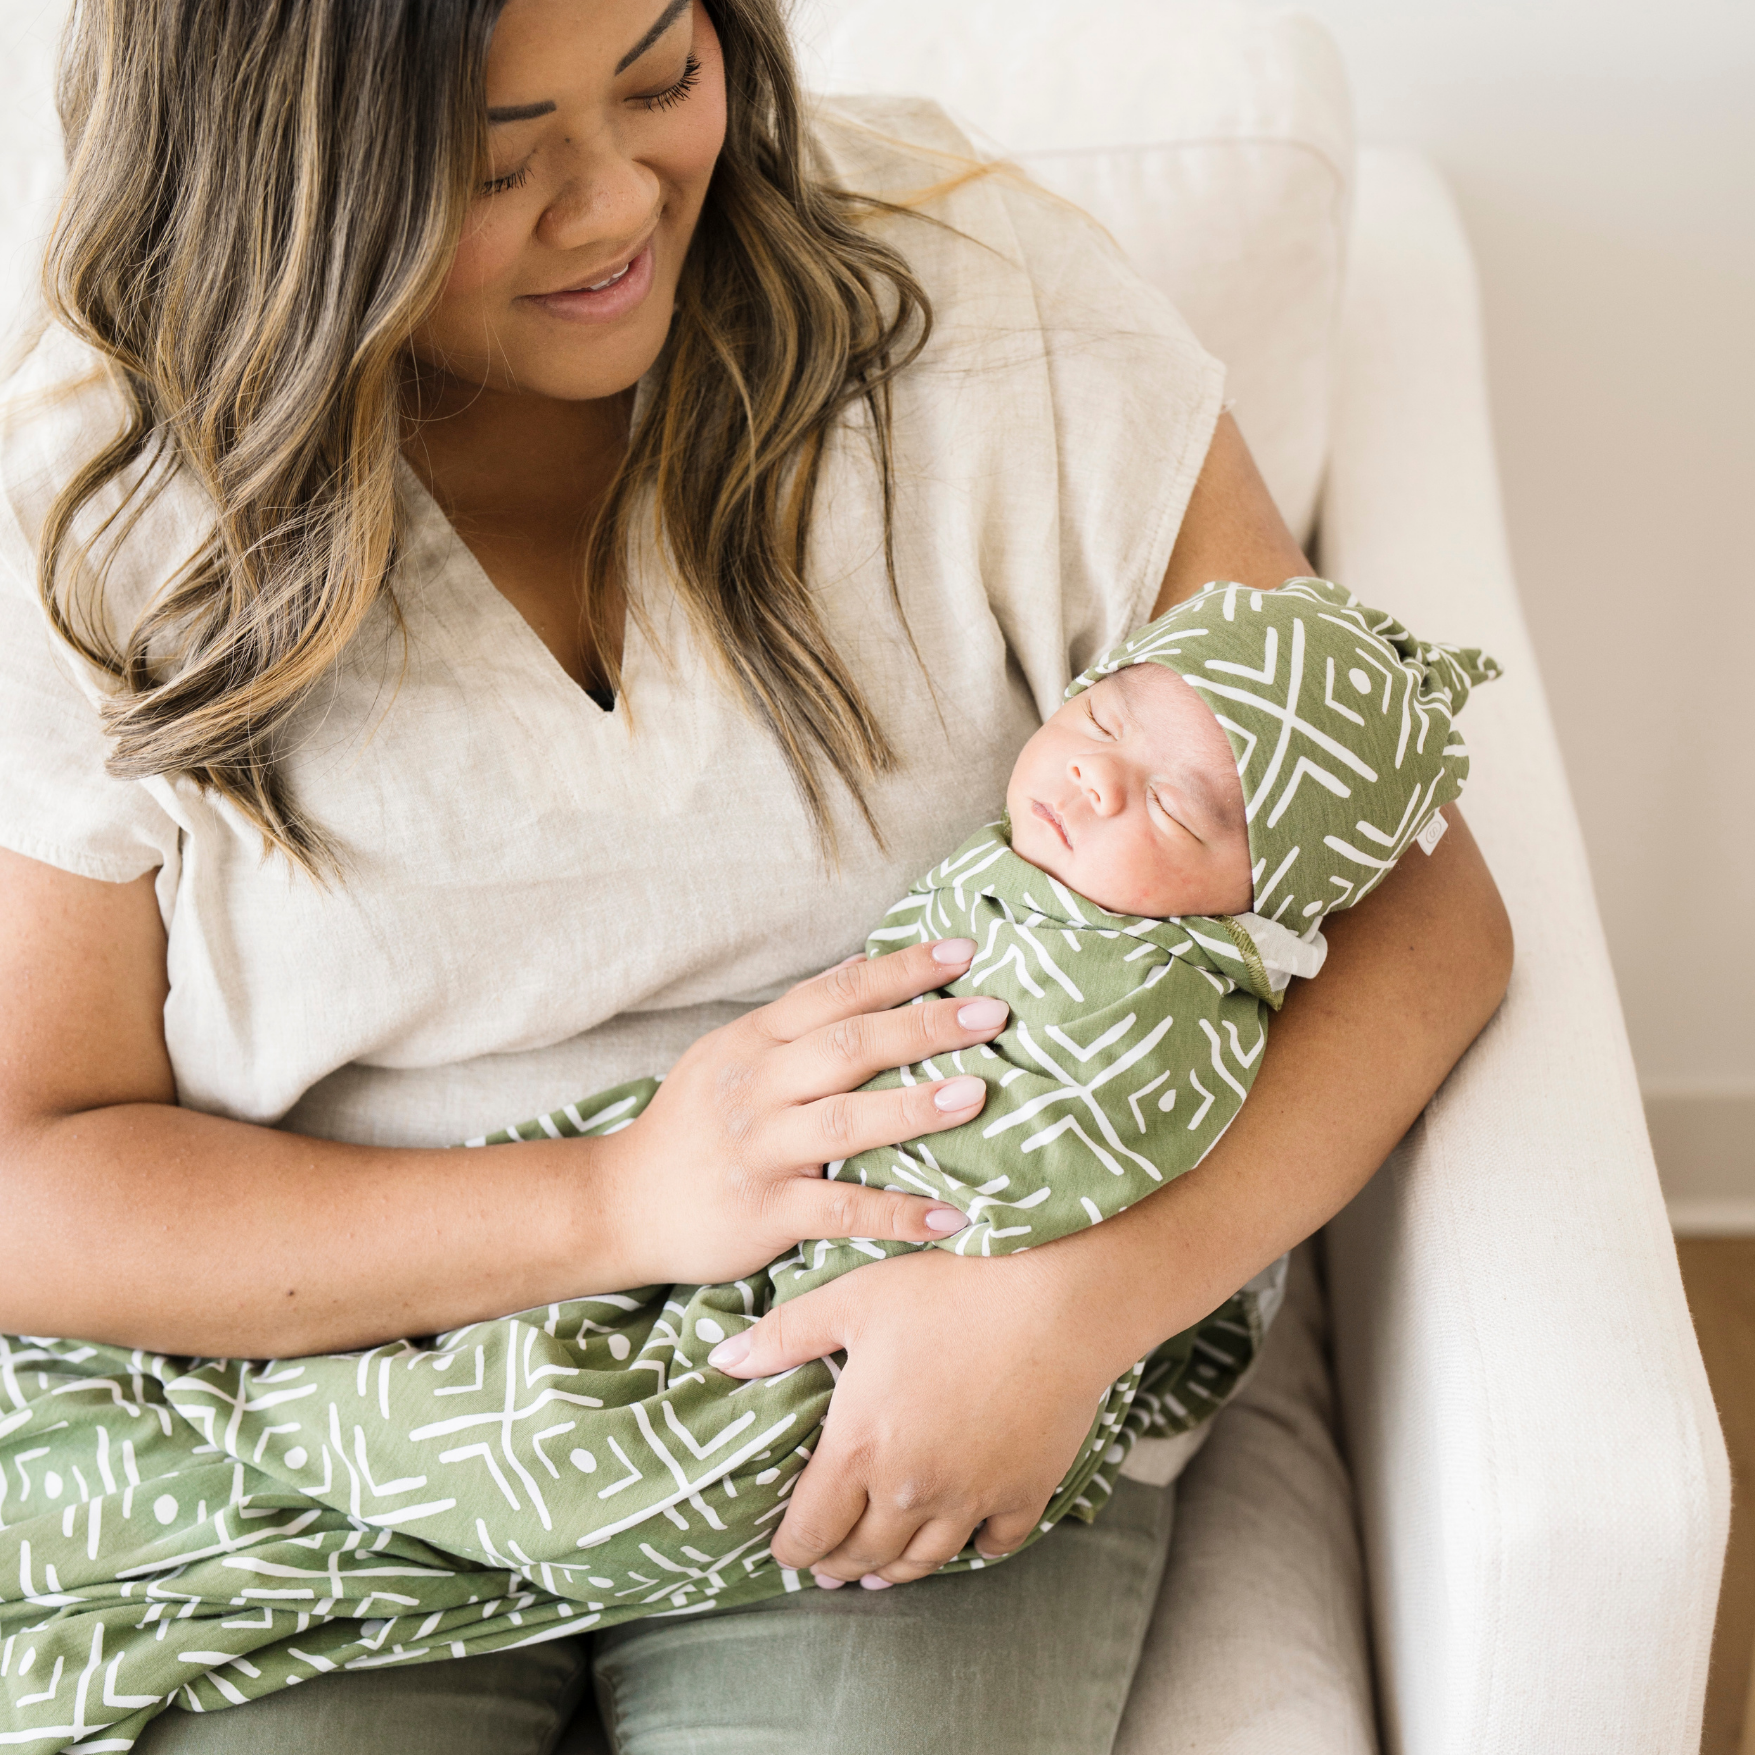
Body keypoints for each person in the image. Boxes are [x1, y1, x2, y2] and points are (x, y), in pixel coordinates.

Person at [0, 1, 1514, 1750]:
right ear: (287, 182)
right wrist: (614, 1202)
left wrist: (1070, 1308)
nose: (614, 202)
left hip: (924, 1371)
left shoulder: (972, 303)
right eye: (491, 161)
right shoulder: (102, 502)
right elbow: (37, 1171)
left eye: (659, 77)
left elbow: (1422, 906)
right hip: (334, 1397)